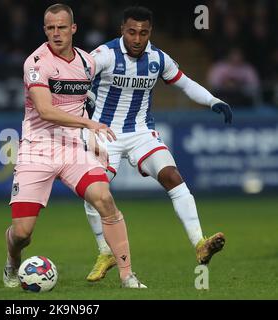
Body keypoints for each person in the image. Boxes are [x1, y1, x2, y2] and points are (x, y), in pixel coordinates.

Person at [3, 3, 146, 289]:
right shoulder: (36, 63)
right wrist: (89, 126)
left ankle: (127, 275)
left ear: (73, 29)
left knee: (104, 199)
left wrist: (91, 138)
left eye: (62, 27)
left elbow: (86, 102)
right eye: (51, 28)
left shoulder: (86, 63)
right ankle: (12, 260)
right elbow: (45, 110)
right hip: (37, 148)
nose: (56, 33)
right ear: (45, 30)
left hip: (73, 149)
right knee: (22, 233)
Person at [83, 6, 232, 282]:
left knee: (172, 177)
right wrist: (83, 112)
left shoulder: (158, 59)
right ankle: (105, 250)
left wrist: (214, 100)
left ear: (150, 32)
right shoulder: (103, 55)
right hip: (105, 133)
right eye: (131, 32)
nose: (137, 39)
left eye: (143, 33)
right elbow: (77, 81)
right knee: (95, 190)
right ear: (122, 30)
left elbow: (185, 84)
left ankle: (200, 243)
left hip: (141, 132)